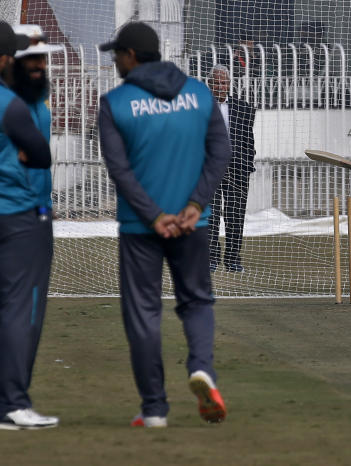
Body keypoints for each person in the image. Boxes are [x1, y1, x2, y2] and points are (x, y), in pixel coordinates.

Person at [98, 22, 231, 427]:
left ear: (132, 56)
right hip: (195, 222)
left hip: (141, 228)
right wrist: (194, 205)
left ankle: (154, 408)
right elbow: (220, 153)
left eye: (117, 54)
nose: (115, 60)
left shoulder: (115, 102)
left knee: (143, 313)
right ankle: (202, 368)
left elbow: (119, 171)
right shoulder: (198, 93)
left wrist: (155, 216)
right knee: (197, 301)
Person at [0, 20, 57, 429]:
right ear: (4, 59)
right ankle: (11, 402)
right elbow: (41, 156)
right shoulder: (11, 105)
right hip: (16, 215)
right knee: (18, 310)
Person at [9, 24, 64, 214]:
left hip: (40, 206)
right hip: (8, 209)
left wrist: (45, 204)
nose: (40, 64)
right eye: (32, 57)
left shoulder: (40, 96)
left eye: (42, 57)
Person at [207, 64, 257, 272]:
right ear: (209, 84)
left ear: (229, 84)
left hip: (237, 170)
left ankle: (233, 260)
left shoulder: (243, 108)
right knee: (209, 216)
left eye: (225, 82)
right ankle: (211, 259)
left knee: (235, 215)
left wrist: (246, 166)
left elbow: (248, 142)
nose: (221, 86)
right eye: (217, 82)